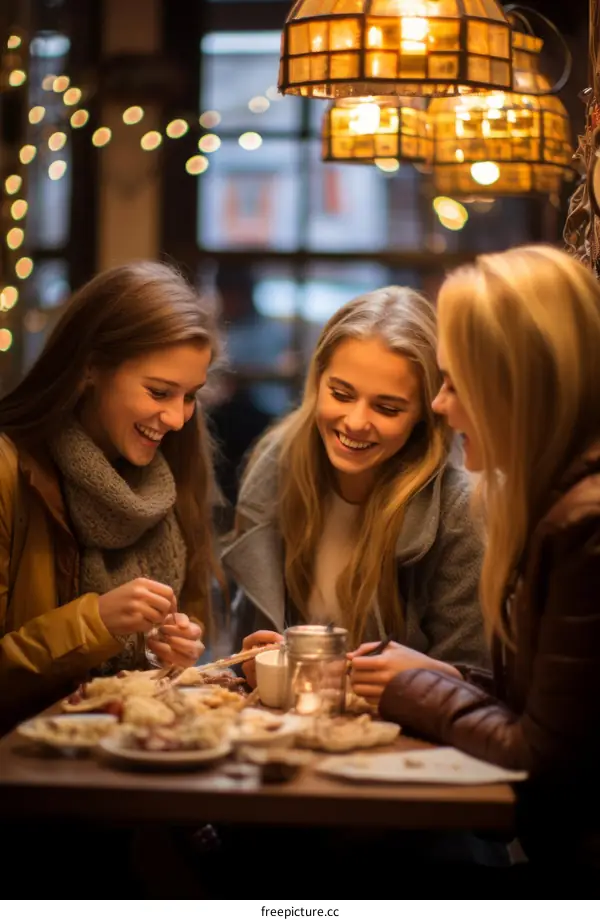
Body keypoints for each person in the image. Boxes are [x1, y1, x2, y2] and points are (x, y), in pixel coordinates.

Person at [379, 245, 600, 880]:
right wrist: (429, 675)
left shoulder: (588, 525)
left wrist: (410, 687)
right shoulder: (557, 502)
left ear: (515, 384)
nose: (441, 407)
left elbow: (539, 757)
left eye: (455, 381)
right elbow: (549, 713)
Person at [223, 286, 489, 695]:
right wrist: (253, 665)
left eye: (387, 408)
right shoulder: (275, 469)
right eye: (341, 394)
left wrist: (409, 682)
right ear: (317, 380)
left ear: (424, 413)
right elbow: (245, 653)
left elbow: (476, 681)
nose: (356, 422)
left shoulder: (459, 508)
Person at [0, 261, 221, 735]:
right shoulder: (8, 471)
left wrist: (179, 650)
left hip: (137, 763)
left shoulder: (174, 474)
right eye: (160, 391)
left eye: (190, 396)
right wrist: (94, 622)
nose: (179, 419)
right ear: (90, 368)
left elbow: (193, 621)